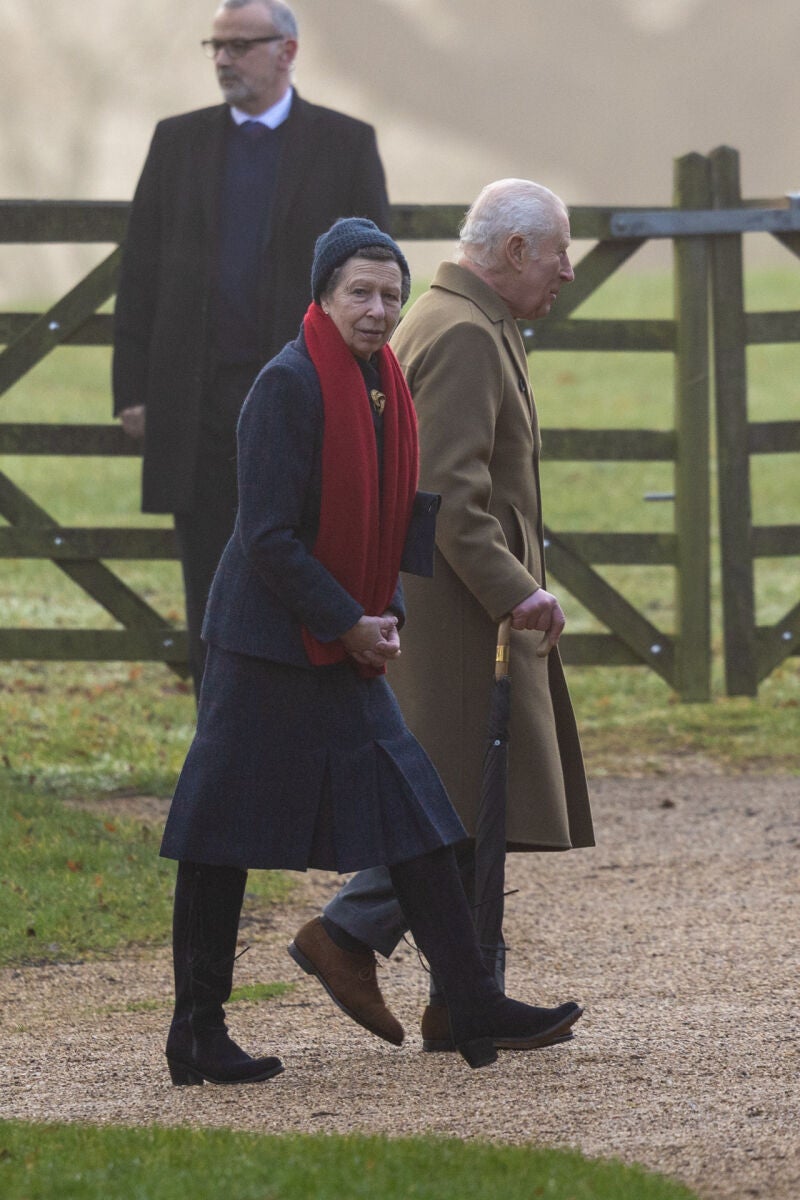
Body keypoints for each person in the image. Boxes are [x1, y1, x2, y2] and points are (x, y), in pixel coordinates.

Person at [158, 217, 584, 1086]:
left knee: (422, 817)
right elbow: (267, 538)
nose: (379, 308)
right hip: (263, 647)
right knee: (218, 839)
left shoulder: (384, 381)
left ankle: (469, 999)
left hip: (345, 637)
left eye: (390, 293)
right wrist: (348, 620)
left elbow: (397, 513)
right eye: (361, 290)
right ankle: (195, 1032)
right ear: (323, 293)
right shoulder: (285, 386)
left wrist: (382, 610)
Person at [292, 179, 595, 1052]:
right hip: (461, 615)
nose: (567, 271)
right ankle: (356, 937)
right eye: (559, 252)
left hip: (458, 606)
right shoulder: (462, 333)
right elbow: (451, 500)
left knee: (468, 807)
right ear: (511, 253)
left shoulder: (466, 320)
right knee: (461, 806)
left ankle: (461, 995)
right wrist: (517, 591)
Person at [112, 0, 390, 696]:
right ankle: (219, 741)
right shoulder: (176, 141)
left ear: (288, 51)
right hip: (197, 404)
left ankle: (295, 733)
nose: (224, 59)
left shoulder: (345, 143)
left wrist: (364, 387)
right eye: (216, 45)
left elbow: (374, 279)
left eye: (240, 45)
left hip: (304, 398)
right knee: (209, 582)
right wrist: (132, 391)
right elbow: (139, 270)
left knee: (304, 566)